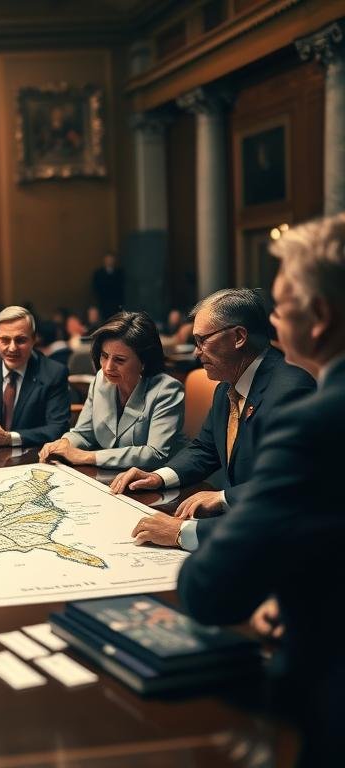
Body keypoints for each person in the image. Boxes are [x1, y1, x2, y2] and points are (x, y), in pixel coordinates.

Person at [177, 214, 345, 765]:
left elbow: (211, 589)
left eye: (280, 305)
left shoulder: (313, 418)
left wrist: (186, 538)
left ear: (320, 317)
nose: (272, 319)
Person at [115, 288, 315, 550]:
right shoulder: (226, 386)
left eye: (202, 340)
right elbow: (205, 448)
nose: (196, 352)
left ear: (239, 337)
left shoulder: (290, 390)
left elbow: (285, 489)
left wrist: (193, 523)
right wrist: (159, 477)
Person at [38, 312, 185, 469]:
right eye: (104, 356)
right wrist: (64, 444)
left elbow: (155, 454)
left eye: (119, 360)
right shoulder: (101, 379)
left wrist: (88, 457)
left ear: (144, 362)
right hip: (108, 475)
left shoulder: (167, 390)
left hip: (155, 478)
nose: (107, 367)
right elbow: (83, 433)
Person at [0, 306, 69, 447]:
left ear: (34, 339)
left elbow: (57, 429)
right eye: (5, 340)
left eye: (20, 340)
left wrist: (10, 438)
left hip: (33, 456)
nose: (12, 348)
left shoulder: (54, 373)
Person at [92, 252, 124, 320]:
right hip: (103, 302)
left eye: (111, 260)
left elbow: (121, 288)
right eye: (107, 260)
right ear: (104, 261)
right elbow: (96, 287)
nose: (109, 262)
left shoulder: (119, 273)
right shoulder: (98, 273)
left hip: (116, 302)